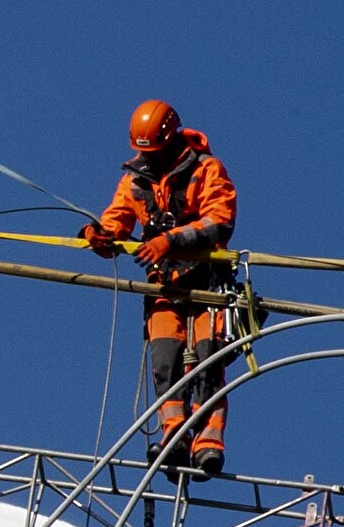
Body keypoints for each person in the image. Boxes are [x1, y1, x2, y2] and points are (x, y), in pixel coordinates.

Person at [81, 99, 239, 476]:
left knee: (207, 361)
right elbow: (116, 221)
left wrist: (170, 241)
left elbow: (219, 222)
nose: (149, 157)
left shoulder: (206, 170)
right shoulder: (135, 179)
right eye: (144, 151)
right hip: (165, 286)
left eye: (156, 151)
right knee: (165, 361)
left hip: (207, 283)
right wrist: (100, 237)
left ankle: (208, 442)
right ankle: (174, 436)